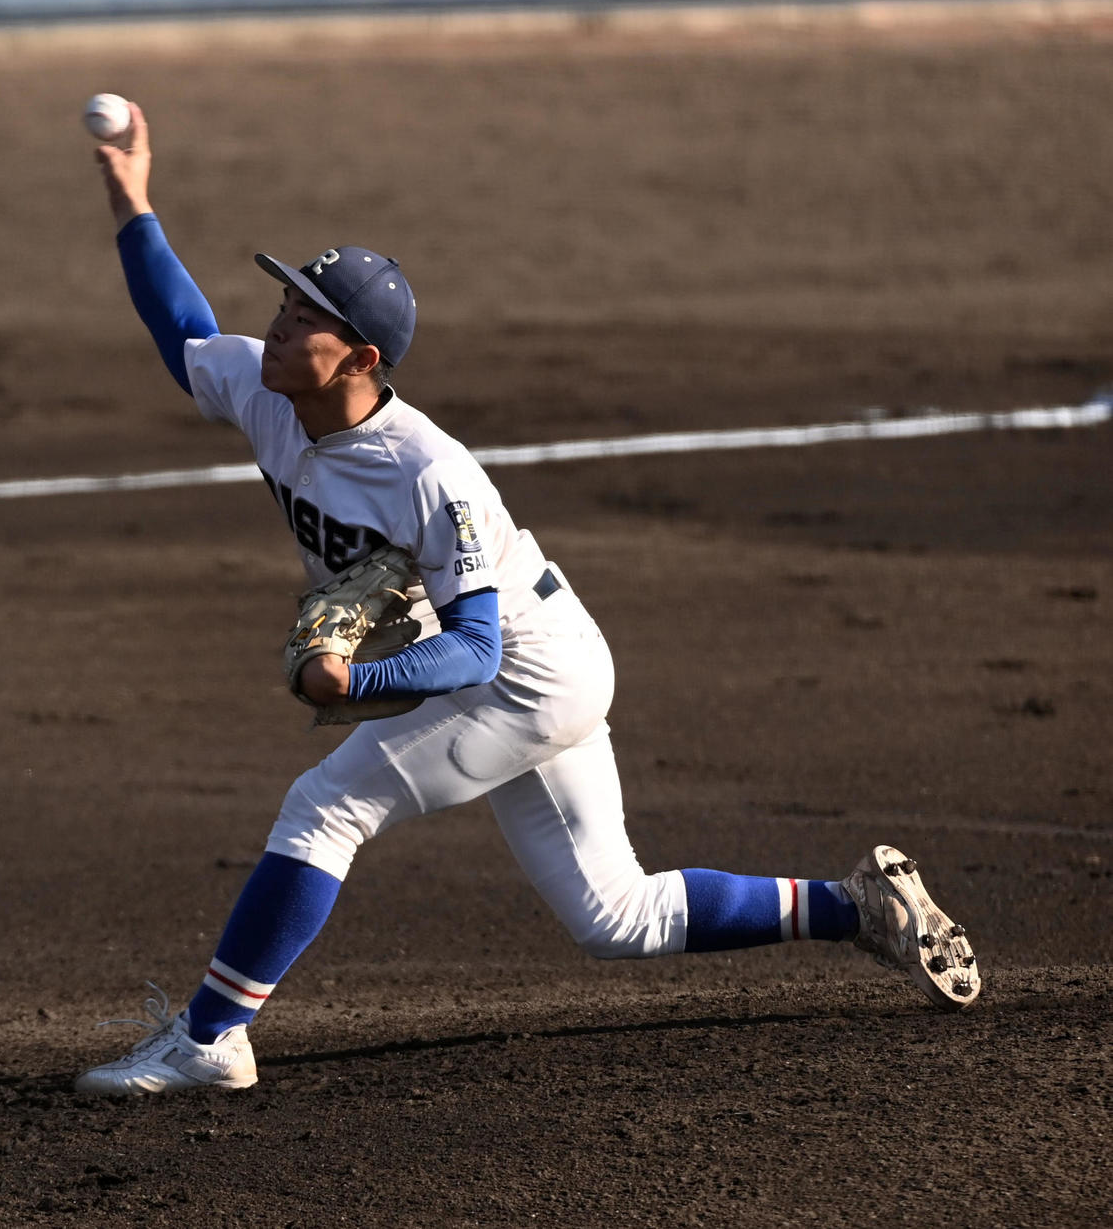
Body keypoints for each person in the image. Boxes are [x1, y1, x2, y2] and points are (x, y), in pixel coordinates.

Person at [74, 104, 981, 1096]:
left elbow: (472, 648)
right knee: (615, 916)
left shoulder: (431, 473)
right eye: (285, 301)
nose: (281, 323)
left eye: (305, 315)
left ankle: (212, 1035)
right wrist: (134, 203)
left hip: (524, 672)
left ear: (362, 359)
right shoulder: (263, 387)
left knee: (326, 805)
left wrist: (357, 675)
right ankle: (862, 907)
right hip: (533, 655)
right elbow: (185, 332)